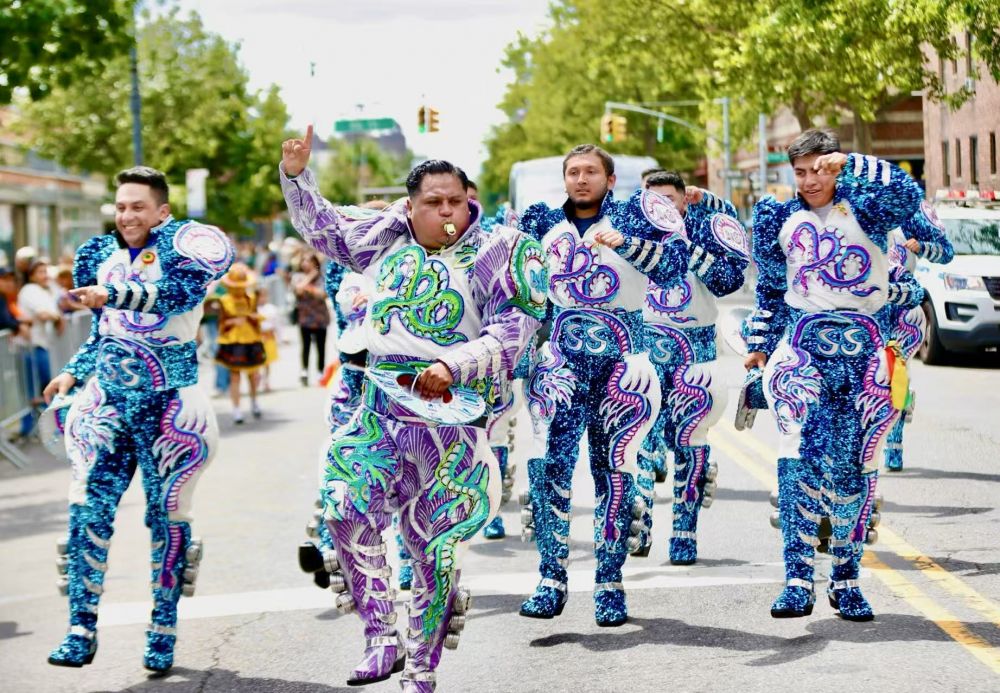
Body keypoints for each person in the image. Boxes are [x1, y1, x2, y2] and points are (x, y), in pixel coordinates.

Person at [281, 124, 544, 692]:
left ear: (469, 200)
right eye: (433, 202)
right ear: (411, 205)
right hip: (378, 409)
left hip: (451, 420)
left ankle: (422, 667)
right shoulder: (387, 238)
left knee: (432, 546)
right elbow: (324, 227)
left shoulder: (502, 249)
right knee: (343, 507)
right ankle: (381, 636)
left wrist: (455, 364)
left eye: (455, 201)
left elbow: (516, 328)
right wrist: (298, 176)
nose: (446, 211)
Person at [43, 165, 234, 671]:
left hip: (170, 408)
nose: (127, 215)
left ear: (161, 211)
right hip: (107, 404)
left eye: (138, 207)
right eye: (121, 206)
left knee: (167, 518)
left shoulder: (185, 249)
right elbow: (102, 331)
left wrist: (115, 294)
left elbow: (176, 297)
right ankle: (80, 629)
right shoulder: (98, 255)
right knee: (87, 509)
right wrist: (72, 371)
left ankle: (163, 630)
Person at [743, 129, 932, 621]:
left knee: (854, 469)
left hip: (865, 354)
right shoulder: (777, 217)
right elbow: (770, 290)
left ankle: (846, 578)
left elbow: (908, 193)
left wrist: (852, 164)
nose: (810, 180)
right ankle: (797, 578)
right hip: (802, 351)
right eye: (800, 172)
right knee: (798, 458)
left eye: (819, 169)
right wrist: (760, 346)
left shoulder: (867, 209)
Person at [516, 144, 688, 627]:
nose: (581, 179)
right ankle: (551, 579)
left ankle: (609, 583)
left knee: (613, 471)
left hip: (623, 365)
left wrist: (626, 244)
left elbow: (675, 267)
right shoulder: (543, 224)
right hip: (560, 365)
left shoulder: (636, 218)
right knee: (549, 466)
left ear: (610, 180)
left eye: (591, 171)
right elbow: (518, 287)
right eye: (573, 171)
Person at [632, 171, 748, 563]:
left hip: (695, 353)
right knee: (642, 442)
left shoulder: (703, 231)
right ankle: (640, 527)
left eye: (669, 199)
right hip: (647, 347)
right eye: (653, 199)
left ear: (684, 201)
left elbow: (727, 278)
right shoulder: (633, 237)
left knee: (690, 443)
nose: (661, 207)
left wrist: (692, 241)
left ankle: (685, 533)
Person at [882, 204, 953, 471]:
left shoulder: (910, 213)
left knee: (895, 378)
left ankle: (894, 446)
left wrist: (922, 247)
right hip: (862, 310)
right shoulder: (850, 207)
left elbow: (947, 252)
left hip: (901, 311)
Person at [17, 259, 65, 437]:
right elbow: (44, 315)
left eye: (46, 271)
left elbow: (56, 312)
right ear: (31, 276)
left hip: (42, 345)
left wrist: (57, 317)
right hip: (31, 347)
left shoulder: (47, 290)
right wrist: (57, 318)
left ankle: (44, 428)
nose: (45, 275)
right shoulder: (29, 290)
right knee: (38, 389)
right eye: (40, 272)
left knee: (43, 387)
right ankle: (31, 429)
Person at [215, 262, 266, 424]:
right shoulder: (224, 300)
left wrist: (253, 318)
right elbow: (221, 323)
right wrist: (232, 322)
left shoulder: (251, 299)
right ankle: (236, 409)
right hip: (233, 341)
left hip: (251, 340)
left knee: (253, 375)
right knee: (235, 376)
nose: (238, 289)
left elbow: (256, 317)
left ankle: (254, 402)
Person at [292, 250, 331, 386]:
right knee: (305, 345)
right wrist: (310, 277)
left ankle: (320, 371)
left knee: (321, 346)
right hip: (304, 316)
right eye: (303, 261)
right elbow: (298, 289)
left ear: (315, 263)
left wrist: (308, 288)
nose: (305, 263)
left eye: (309, 261)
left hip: (320, 317)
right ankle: (304, 371)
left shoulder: (322, 277)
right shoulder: (297, 276)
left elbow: (323, 294)